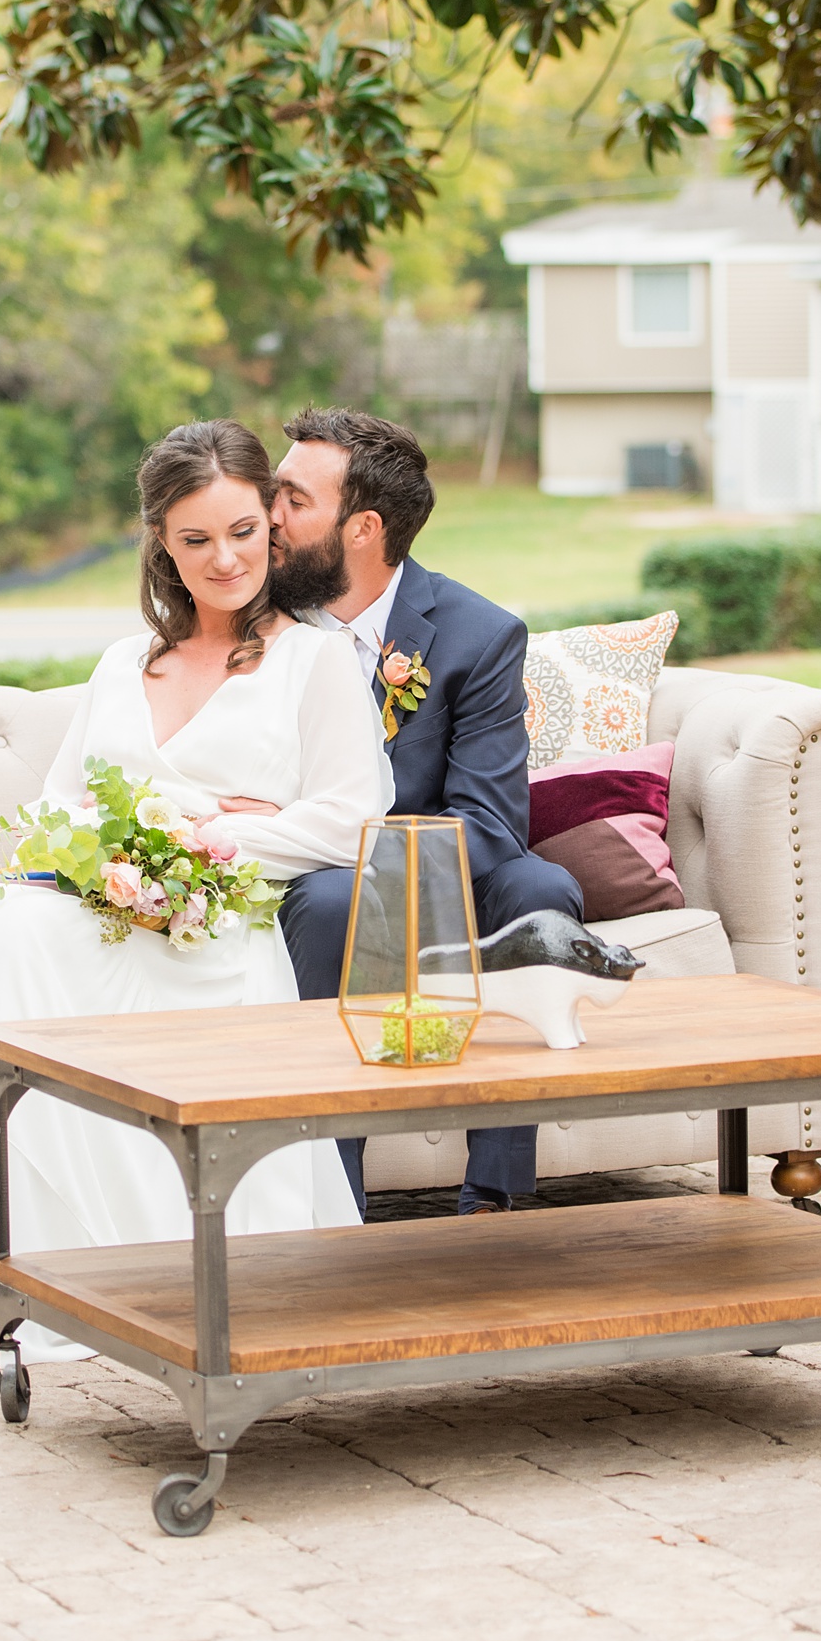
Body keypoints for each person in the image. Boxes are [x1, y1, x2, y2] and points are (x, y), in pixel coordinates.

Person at [0, 419, 384, 1370]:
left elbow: (351, 818)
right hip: (107, 913)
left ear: (270, 532)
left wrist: (211, 834)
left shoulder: (313, 660)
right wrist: (121, 853)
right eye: (195, 540)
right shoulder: (127, 663)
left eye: (242, 531)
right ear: (162, 543)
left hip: (215, 935)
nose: (224, 558)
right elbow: (52, 813)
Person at [269, 407, 584, 1216]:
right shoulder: (254, 619)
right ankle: (334, 1203)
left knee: (540, 890)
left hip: (433, 863)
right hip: (305, 867)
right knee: (337, 900)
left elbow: (487, 821)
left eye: (293, 500)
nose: (269, 517)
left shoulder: (477, 636)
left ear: (364, 526)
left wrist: (387, 881)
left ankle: (495, 1205)